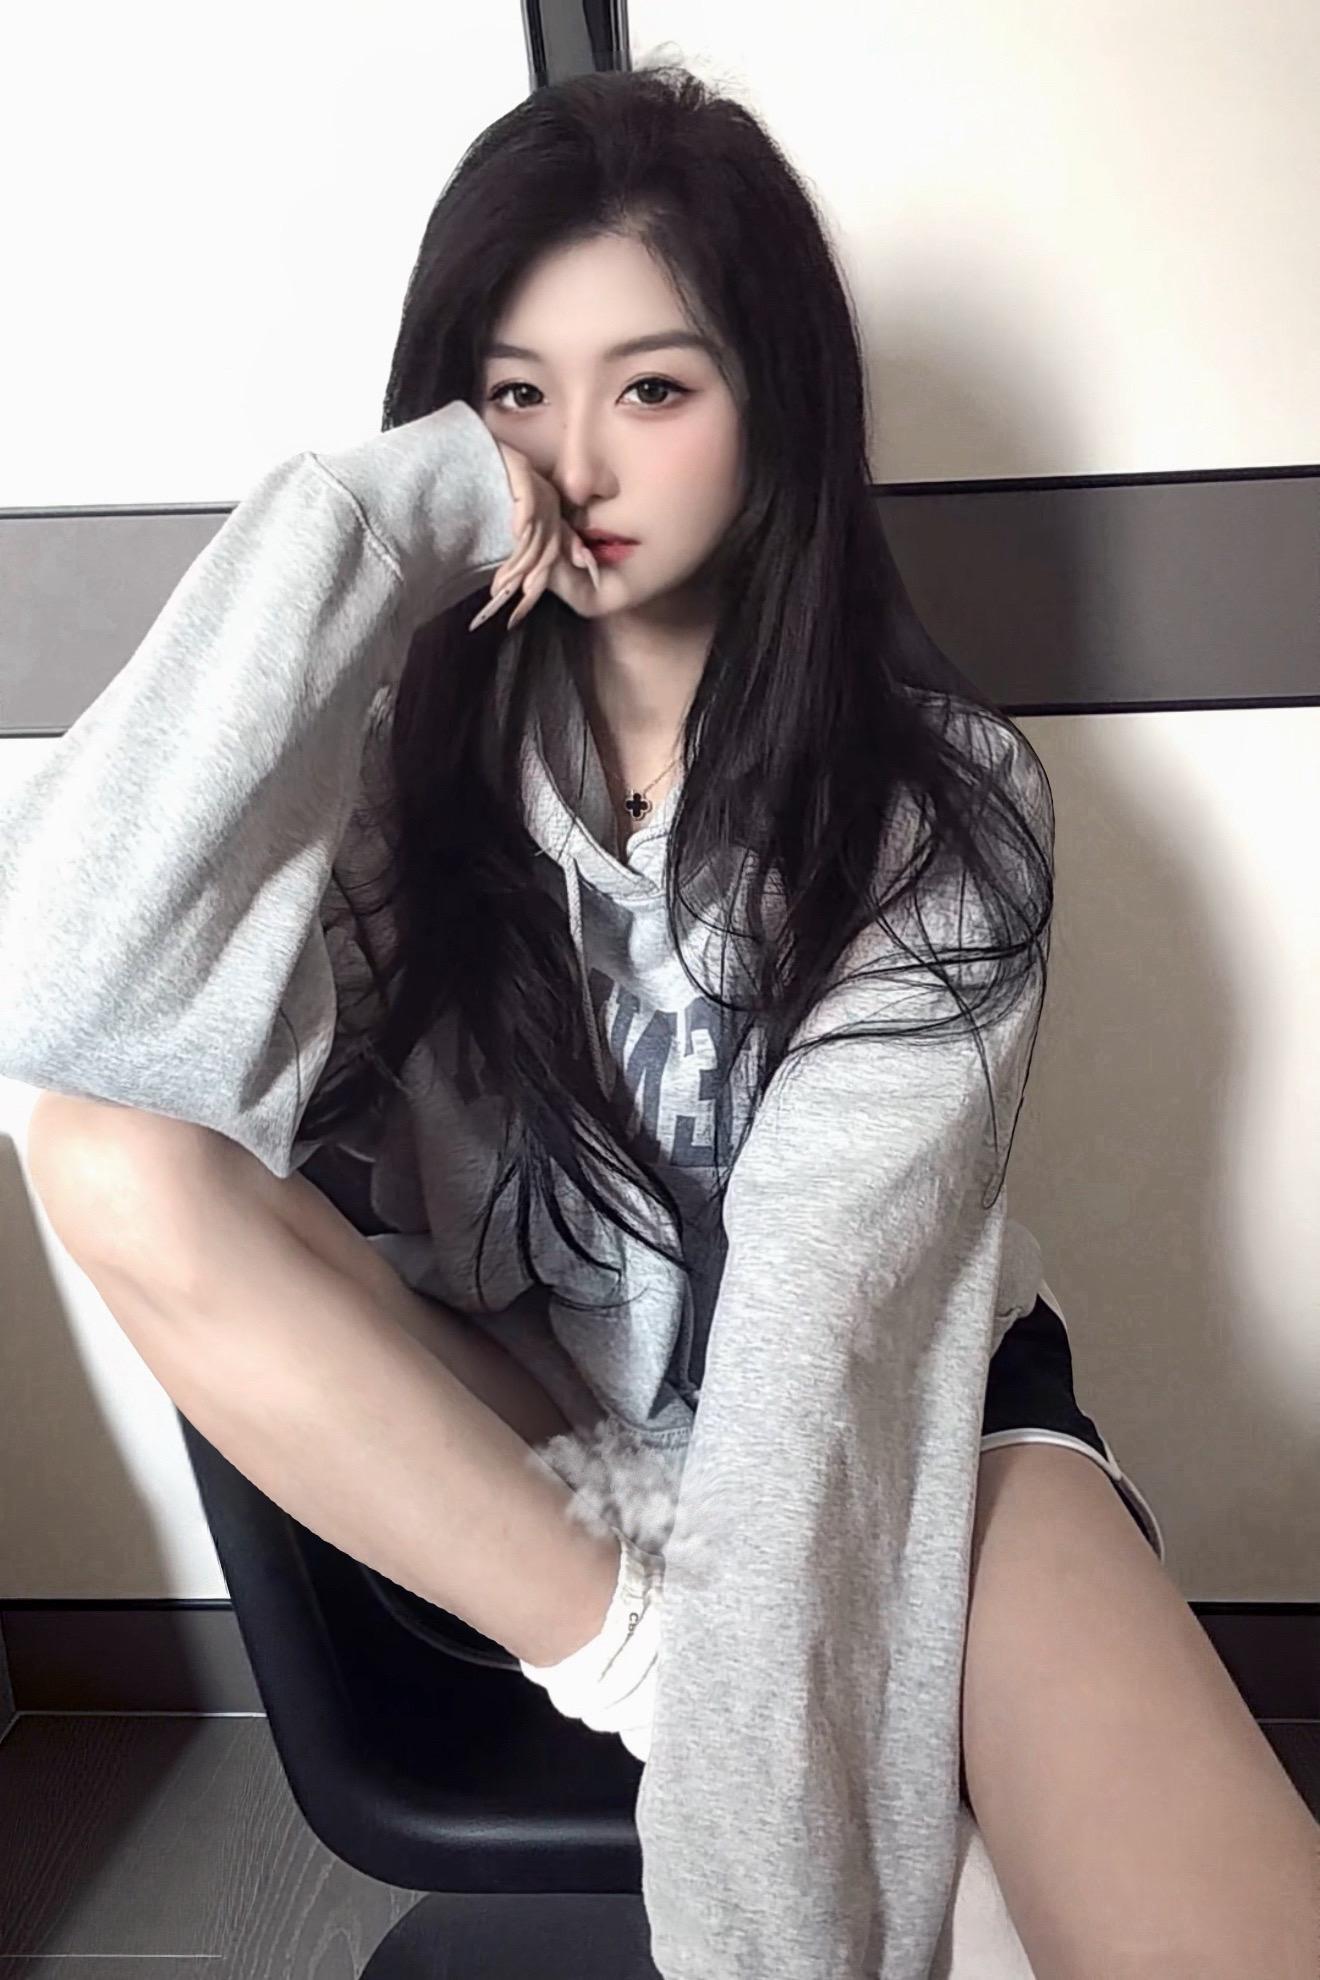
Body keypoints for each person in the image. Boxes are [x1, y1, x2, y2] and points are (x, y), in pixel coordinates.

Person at [4, 59, 1194, 1980]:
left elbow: (823, 1350)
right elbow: (60, 999)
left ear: (773, 408)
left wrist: (776, 1874)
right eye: (511, 400)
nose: (575, 465)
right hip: (550, 1445)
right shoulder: (397, 788)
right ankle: (648, 1654)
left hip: (911, 1434)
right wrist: (369, 519)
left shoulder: (938, 814)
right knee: (104, 1147)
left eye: (653, 389)